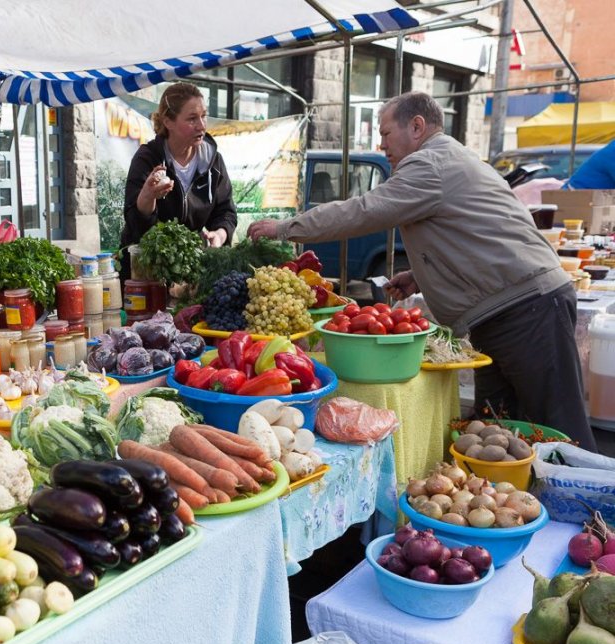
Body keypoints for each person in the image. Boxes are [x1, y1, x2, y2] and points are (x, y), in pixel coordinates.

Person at [246, 91, 597, 450]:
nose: (381, 144)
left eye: (385, 133)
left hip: (525, 310)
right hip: (510, 309)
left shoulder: (429, 164)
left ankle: (593, 504)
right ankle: (519, 498)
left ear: (416, 126)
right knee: (498, 429)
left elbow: (365, 210)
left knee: (560, 427)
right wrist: (421, 273)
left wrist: (287, 228)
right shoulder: (447, 158)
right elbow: (471, 230)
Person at [119, 82, 236, 280]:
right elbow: (135, 225)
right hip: (145, 273)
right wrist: (147, 197)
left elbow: (226, 212)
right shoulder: (147, 159)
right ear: (168, 122)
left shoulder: (213, 160)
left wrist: (219, 234)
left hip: (190, 271)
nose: (201, 125)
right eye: (192, 119)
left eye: (203, 116)